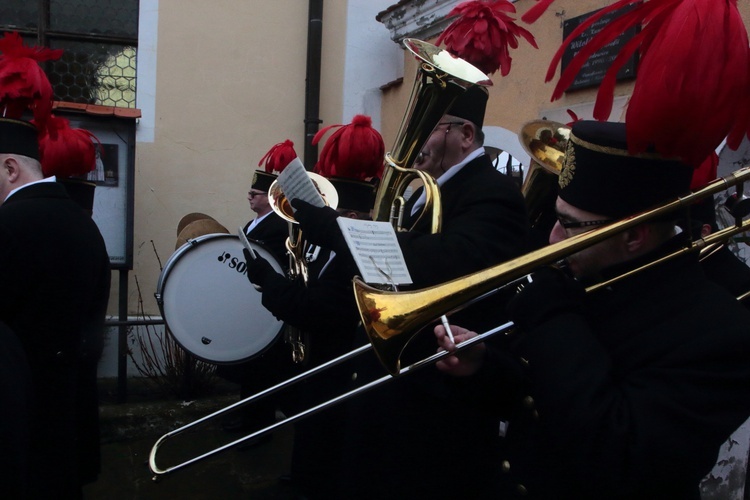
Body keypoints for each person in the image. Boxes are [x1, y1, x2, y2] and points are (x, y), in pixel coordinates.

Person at [433, 120, 750, 498]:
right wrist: (485, 367)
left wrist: (553, 317)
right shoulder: (593, 277)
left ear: (632, 235)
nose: (552, 237)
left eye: (569, 224)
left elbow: (618, 456)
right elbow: (544, 400)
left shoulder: (720, 331)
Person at [293, 85, 532, 499]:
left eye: (431, 129)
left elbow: (447, 260)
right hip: (401, 377)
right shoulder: (431, 191)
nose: (416, 141)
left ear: (466, 135)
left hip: (434, 394)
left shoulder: (492, 192)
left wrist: (337, 230)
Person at [0, 117, 111, 498]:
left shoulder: (8, 223)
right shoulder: (85, 226)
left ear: (10, 168)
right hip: (70, 415)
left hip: (18, 423)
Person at [215, 169, 291, 436]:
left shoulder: (279, 226)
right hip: (249, 303)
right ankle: (249, 417)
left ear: (271, 198)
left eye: (255, 193)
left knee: (261, 370)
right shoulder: (253, 224)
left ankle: (258, 425)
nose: (249, 195)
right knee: (250, 370)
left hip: (264, 307)